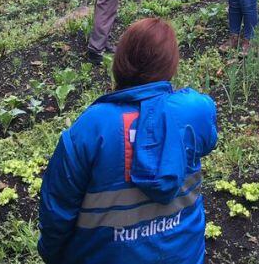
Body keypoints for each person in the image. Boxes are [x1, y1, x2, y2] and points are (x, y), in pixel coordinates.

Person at [37, 18, 218, 264]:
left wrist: (52, 255)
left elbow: (57, 210)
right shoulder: (194, 113)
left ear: (120, 62)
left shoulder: (91, 127)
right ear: (171, 66)